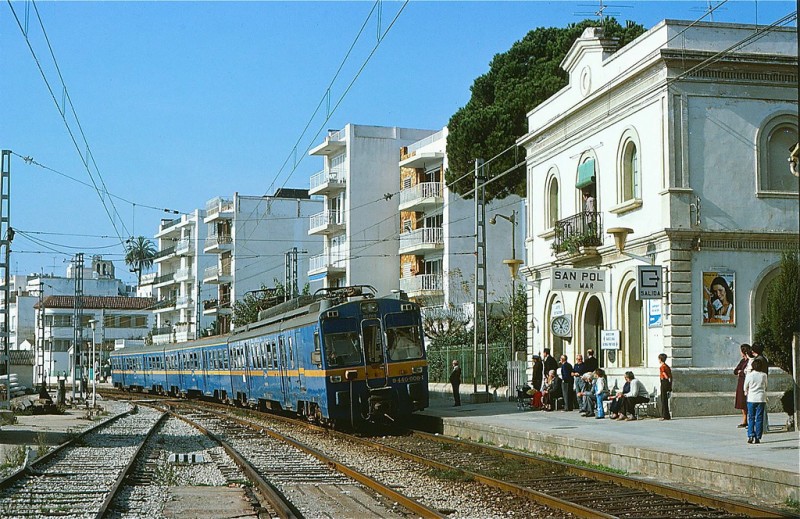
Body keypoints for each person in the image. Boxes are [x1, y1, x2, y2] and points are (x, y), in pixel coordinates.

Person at [744, 356, 768, 444]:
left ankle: (750, 435)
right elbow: (765, 386)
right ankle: (758, 436)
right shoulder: (764, 375)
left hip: (751, 398)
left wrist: (746, 391)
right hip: (761, 398)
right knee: (759, 418)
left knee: (751, 417)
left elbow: (745, 387)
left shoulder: (749, 376)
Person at [733, 344, 752, 428]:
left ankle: (750, 420)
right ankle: (744, 420)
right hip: (741, 383)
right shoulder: (742, 361)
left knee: (748, 401)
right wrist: (739, 371)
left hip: (747, 382)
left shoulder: (749, 361)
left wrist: (740, 372)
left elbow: (745, 371)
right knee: (742, 402)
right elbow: (736, 370)